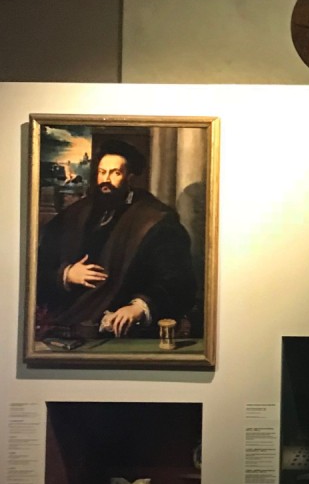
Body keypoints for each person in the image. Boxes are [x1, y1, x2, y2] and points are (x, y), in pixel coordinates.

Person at [35, 139, 196, 343]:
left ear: (129, 178)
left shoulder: (156, 219)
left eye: (115, 173)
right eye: (102, 172)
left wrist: (139, 306)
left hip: (119, 321)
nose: (106, 179)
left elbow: (177, 280)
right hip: (68, 317)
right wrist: (67, 274)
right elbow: (39, 262)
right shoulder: (77, 212)